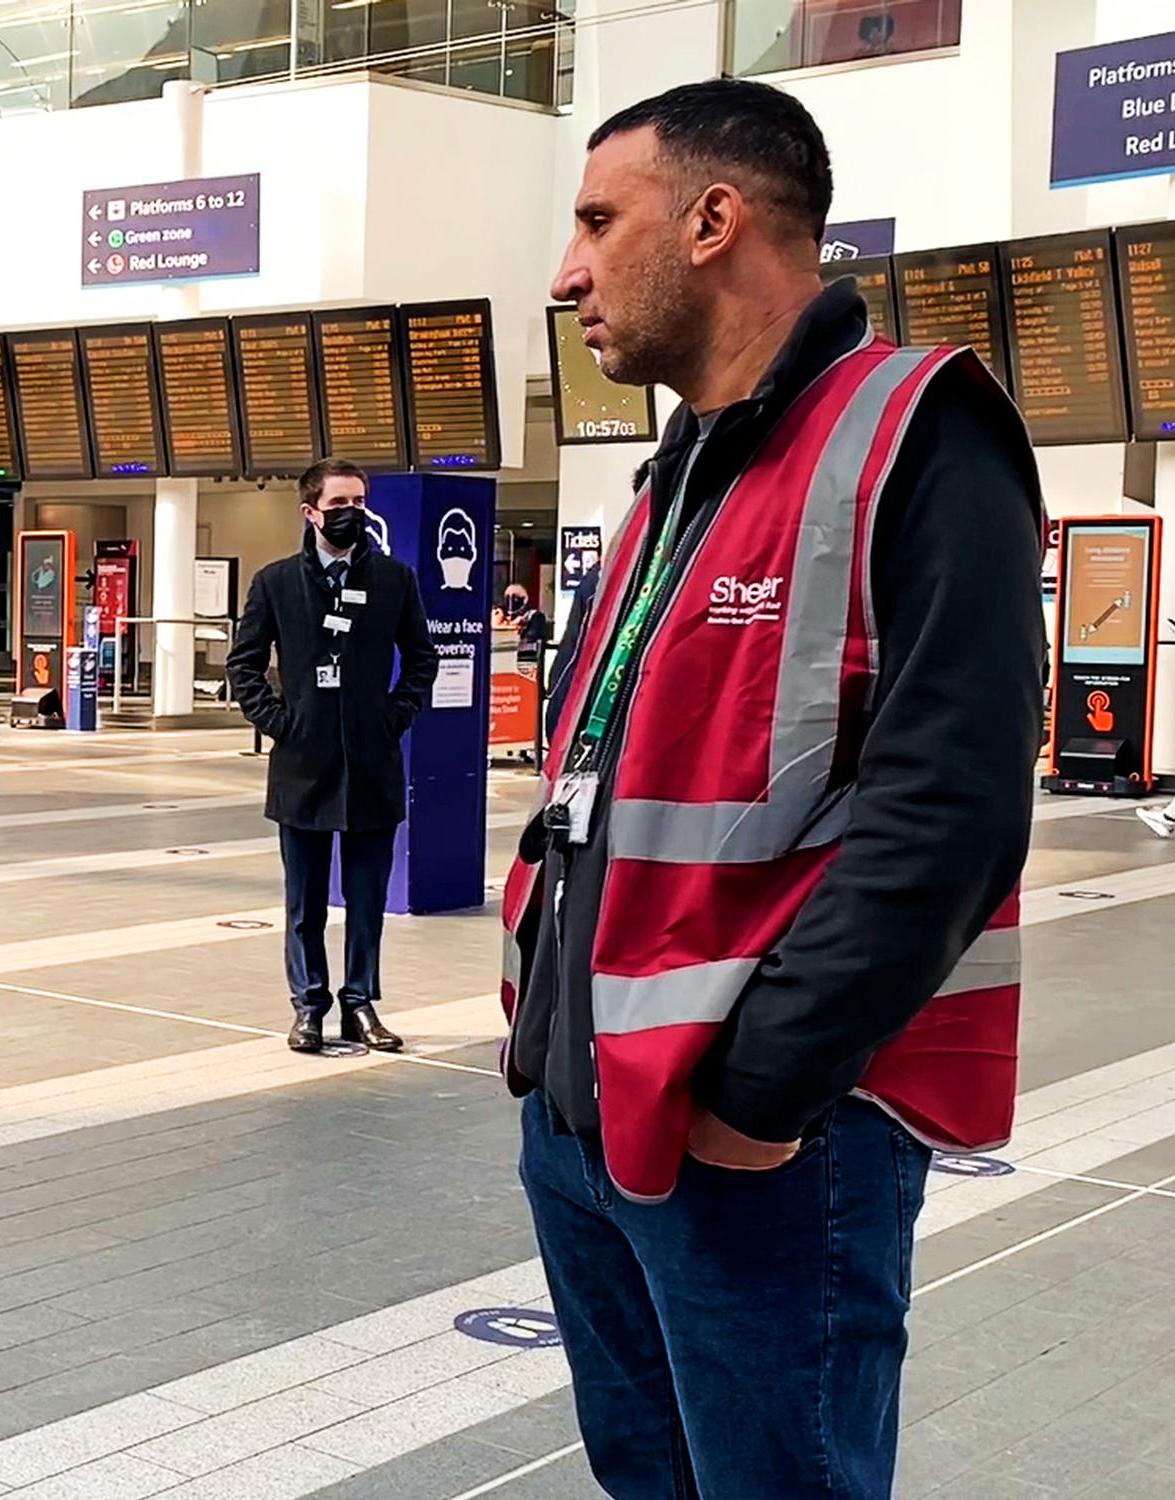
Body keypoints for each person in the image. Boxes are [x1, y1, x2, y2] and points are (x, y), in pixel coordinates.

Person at [509, 80, 1041, 1498]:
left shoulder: (914, 434)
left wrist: (762, 1093)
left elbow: (951, 808)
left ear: (710, 217)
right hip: (585, 1119)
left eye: (592, 220)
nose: (566, 271)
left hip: (764, 1149)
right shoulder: (668, 482)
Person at [224, 458, 436, 1056]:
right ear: (310, 512)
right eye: (340, 503)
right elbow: (243, 665)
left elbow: (421, 658)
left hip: (372, 766)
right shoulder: (276, 582)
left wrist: (393, 717)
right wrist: (278, 724)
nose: (352, 514)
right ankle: (308, 1006)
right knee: (305, 902)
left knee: (367, 900)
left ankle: (362, 1003)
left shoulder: (394, 579)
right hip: (302, 768)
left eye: (360, 502)